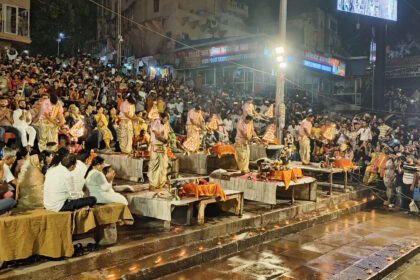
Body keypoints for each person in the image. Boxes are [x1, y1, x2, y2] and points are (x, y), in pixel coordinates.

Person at [148, 113, 170, 190]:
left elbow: (167, 134)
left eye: (166, 120)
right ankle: (153, 184)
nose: (165, 122)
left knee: (163, 165)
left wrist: (169, 139)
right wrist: (165, 140)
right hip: (156, 145)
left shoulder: (166, 124)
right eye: (164, 120)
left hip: (163, 146)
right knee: (154, 165)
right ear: (161, 118)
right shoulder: (155, 123)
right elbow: (157, 135)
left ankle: (162, 183)